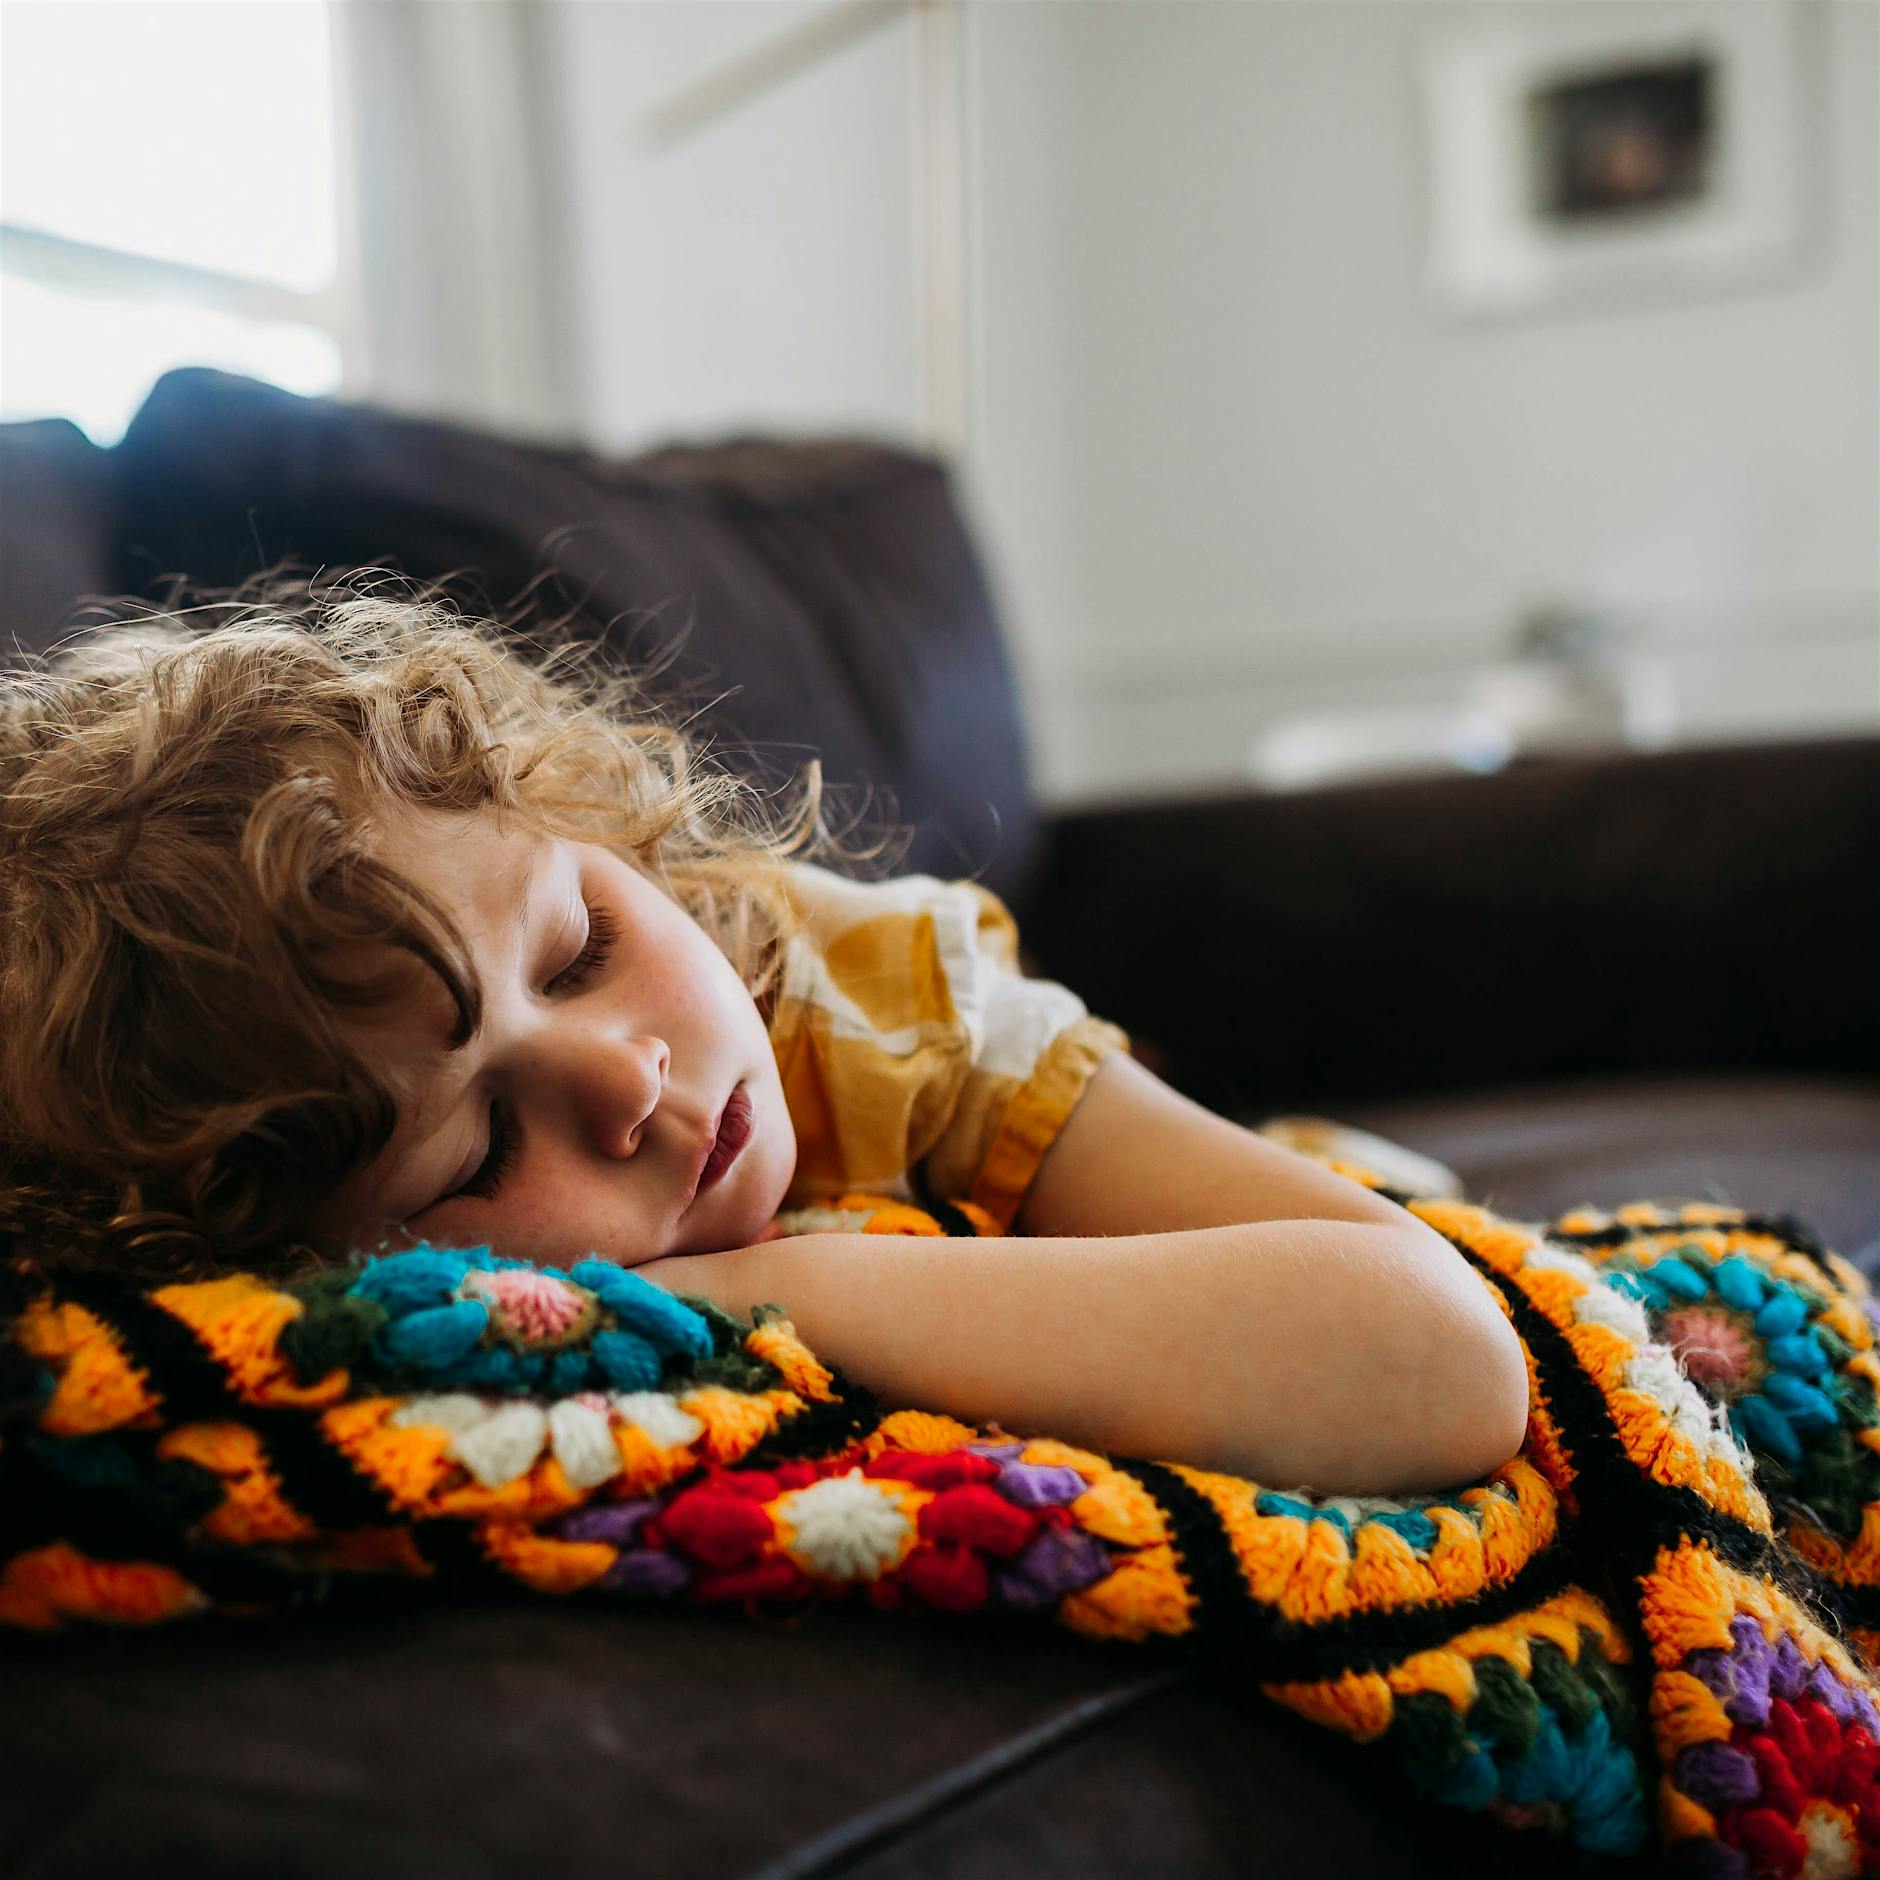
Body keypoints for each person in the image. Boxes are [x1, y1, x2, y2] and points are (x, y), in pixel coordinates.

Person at [0, 578, 1528, 1495]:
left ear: (578, 812)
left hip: (1305, 1187)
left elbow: (1444, 1356)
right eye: (477, 1148)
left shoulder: (876, 1007)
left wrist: (787, 1280)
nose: (626, 1078)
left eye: (583, 946)